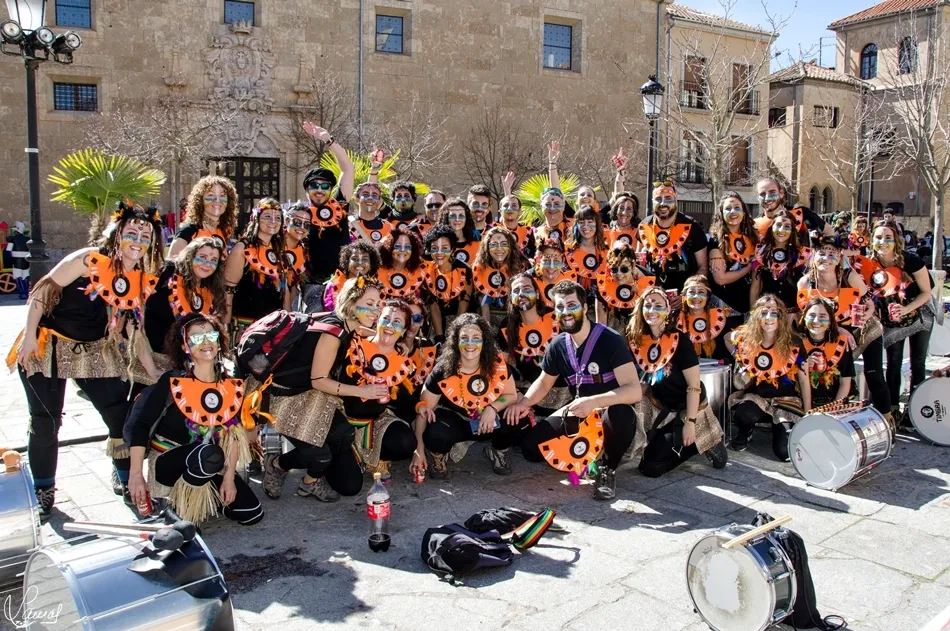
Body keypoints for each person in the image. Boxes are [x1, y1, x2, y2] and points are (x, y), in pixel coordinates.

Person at [10, 201, 164, 518]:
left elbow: (135, 331)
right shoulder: (87, 259)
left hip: (94, 349)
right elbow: (41, 292)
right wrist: (28, 337)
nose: (138, 241)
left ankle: (126, 479)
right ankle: (43, 489)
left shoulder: (139, 279)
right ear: (116, 234)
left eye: (145, 236)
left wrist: (153, 371)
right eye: (131, 233)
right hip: (48, 346)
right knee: (46, 421)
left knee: (119, 414)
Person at [508, 281, 643, 500]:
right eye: (560, 307)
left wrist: (594, 402)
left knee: (621, 415)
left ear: (585, 307)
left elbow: (634, 391)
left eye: (572, 305)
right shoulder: (558, 345)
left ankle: (607, 469)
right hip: (579, 412)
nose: (566, 312)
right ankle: (585, 453)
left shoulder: (611, 340)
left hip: (609, 411)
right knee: (531, 449)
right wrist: (523, 404)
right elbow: (544, 383)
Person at [126, 313, 263, 525]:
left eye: (211, 335)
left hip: (209, 462)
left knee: (252, 513)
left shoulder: (229, 384)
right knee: (208, 453)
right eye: (197, 337)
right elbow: (141, 426)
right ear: (184, 346)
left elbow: (233, 435)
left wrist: (228, 479)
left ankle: (206, 501)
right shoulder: (173, 380)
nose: (206, 342)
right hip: (169, 461)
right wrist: (135, 475)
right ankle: (176, 510)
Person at [260, 277, 381, 501]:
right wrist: (363, 391)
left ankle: (309, 481)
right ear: (352, 304)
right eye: (370, 304)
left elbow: (371, 334)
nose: (376, 310)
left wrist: (397, 338)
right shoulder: (333, 334)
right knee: (321, 456)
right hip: (286, 398)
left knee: (343, 434)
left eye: (378, 304)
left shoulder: (347, 323)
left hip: (309, 394)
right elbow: (319, 380)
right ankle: (278, 465)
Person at [627, 287, 727, 477]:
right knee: (647, 463)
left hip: (689, 406)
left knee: (651, 468)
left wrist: (690, 423)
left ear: (667, 310)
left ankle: (703, 440)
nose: (652, 310)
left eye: (658, 305)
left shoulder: (680, 341)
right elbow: (644, 382)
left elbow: (694, 386)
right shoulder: (639, 341)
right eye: (648, 305)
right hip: (662, 405)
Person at [411, 313, 520, 478]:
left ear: (484, 341)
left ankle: (497, 450)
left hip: (488, 421)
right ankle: (438, 455)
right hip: (457, 422)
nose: (470, 343)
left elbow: (511, 395)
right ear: (456, 341)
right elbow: (423, 411)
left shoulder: (497, 364)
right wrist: (418, 450)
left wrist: (492, 409)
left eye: (476, 338)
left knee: (516, 417)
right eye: (464, 338)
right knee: (436, 432)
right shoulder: (443, 369)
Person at [796, 235, 890, 418]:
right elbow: (807, 315)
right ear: (813, 256)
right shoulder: (805, 284)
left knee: (874, 375)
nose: (826, 258)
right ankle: (828, 414)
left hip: (862, 330)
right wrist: (837, 329)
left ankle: (887, 417)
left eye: (832, 254)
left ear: (840, 257)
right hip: (832, 334)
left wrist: (863, 318)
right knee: (828, 372)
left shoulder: (850, 277)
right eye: (821, 253)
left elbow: (870, 305)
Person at [853, 220, 933, 424]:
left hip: (919, 314)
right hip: (892, 319)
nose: (883, 241)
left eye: (888, 237)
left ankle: (915, 413)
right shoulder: (868, 265)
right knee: (893, 363)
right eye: (878, 237)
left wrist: (906, 308)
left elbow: (926, 292)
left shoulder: (911, 260)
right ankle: (893, 411)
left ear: (896, 240)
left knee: (917, 363)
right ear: (872, 240)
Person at [340, 299, 418, 482]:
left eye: (397, 322)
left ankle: (378, 459)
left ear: (404, 331)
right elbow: (343, 323)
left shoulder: (403, 364)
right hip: (341, 419)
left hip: (375, 423)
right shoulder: (354, 344)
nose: (390, 325)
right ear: (377, 321)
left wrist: (420, 406)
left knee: (406, 441)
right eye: (386, 319)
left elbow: (404, 404)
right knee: (349, 484)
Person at [726, 295, 810, 461]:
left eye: (774, 313)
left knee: (784, 453)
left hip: (785, 401)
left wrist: (807, 414)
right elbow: (727, 338)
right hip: (757, 398)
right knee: (744, 414)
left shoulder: (794, 342)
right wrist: (739, 357)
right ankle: (745, 431)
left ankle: (780, 429)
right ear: (756, 316)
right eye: (764, 313)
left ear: (781, 317)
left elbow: (803, 379)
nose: (769, 318)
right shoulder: (748, 339)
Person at [139, 237, 227, 387]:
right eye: (202, 257)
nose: (207, 264)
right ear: (190, 256)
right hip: (150, 360)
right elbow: (139, 302)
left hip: (182, 367)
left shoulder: (211, 291)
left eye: (213, 260)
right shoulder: (167, 273)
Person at [497, 273, 569, 417]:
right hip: (529, 396)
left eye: (526, 288)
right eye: (516, 291)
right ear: (511, 298)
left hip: (566, 393)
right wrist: (517, 395)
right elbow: (501, 366)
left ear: (536, 293)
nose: (521, 294)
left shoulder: (557, 317)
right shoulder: (507, 327)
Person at [223, 198, 287, 336]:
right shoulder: (242, 248)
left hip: (273, 326)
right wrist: (225, 328)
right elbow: (228, 291)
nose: (273, 221)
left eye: (278, 218)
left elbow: (283, 290)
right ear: (256, 219)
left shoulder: (278, 251)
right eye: (267, 216)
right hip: (245, 326)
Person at [637, 180, 708, 303]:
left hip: (685, 299)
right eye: (658, 199)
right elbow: (638, 266)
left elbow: (703, 268)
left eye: (668, 198)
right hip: (652, 301)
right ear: (652, 202)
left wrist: (686, 296)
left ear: (676, 200)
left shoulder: (692, 226)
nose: (663, 203)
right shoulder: (644, 226)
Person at [302, 123, 355, 285]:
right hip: (311, 284)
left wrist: (328, 140)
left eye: (325, 186)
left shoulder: (339, 205)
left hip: (341, 280)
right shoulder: (300, 215)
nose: (319, 190)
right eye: (314, 185)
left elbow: (348, 169)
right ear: (306, 189)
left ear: (331, 190)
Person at [750, 209, 811, 313]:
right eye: (778, 225)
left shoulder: (803, 255)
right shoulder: (761, 253)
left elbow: (809, 288)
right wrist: (753, 313)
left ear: (792, 230)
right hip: (767, 315)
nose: (781, 230)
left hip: (793, 315)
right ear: (771, 227)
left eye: (787, 226)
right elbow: (755, 288)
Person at [798, 297, 855, 408]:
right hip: (802, 402)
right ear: (804, 318)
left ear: (830, 321)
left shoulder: (841, 343)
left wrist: (833, 410)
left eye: (822, 316)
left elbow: (845, 382)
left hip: (835, 402)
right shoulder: (796, 343)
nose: (816, 321)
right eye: (812, 315)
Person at [708, 191, 758, 315]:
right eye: (728, 208)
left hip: (748, 304)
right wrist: (747, 269)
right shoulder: (716, 240)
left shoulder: (752, 238)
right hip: (724, 306)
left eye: (737, 208)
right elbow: (720, 278)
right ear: (721, 213)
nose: (733, 212)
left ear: (744, 212)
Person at [168, 175, 238, 258]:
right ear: (200, 200)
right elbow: (172, 263)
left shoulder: (223, 232)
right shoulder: (188, 231)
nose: (217, 200)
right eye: (211, 195)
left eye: (222, 196)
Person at [423, 225, 472, 341]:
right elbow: (433, 304)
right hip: (438, 321)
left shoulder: (464, 270)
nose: (439, 252)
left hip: (462, 321)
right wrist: (439, 336)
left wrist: (453, 335)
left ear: (452, 249)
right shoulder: (428, 269)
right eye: (434, 248)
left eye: (444, 248)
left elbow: (463, 304)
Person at [472, 226, 527, 325]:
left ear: (510, 246)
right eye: (494, 245)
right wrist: (487, 330)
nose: (499, 249)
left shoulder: (521, 266)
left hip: (515, 322)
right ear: (487, 247)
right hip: (487, 321)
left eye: (504, 244)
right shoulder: (480, 268)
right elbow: (483, 304)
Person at [594, 244, 655, 331]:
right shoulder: (603, 287)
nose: (619, 274)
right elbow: (600, 325)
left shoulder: (649, 282)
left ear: (633, 266)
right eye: (614, 269)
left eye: (624, 269)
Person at [755, 177, 833, 245]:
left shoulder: (801, 214)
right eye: (762, 194)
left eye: (772, 192)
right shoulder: (756, 224)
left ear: (781, 193)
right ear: (758, 198)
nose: (767, 198)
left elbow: (829, 232)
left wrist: (820, 252)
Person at [677, 275, 735, 361]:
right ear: (684, 296)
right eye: (691, 292)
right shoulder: (676, 320)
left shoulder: (719, 318)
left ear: (707, 297)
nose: (696, 296)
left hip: (716, 368)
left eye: (701, 292)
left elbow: (730, 342)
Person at [565, 205, 607, 300]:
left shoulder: (607, 251)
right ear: (576, 225)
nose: (586, 226)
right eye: (581, 222)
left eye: (590, 221)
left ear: (597, 224)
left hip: (600, 304)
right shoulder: (567, 250)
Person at [324, 241, 381, 311]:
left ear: (371, 264)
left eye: (365, 259)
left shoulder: (376, 289)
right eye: (355, 258)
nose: (360, 262)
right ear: (347, 261)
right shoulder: (332, 285)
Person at [377, 228, 428, 300]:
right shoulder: (376, 271)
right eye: (397, 246)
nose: (403, 250)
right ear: (389, 247)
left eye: (407, 247)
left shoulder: (422, 270)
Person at [529, 238, 578, 308]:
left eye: (556, 261)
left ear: (563, 260)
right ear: (539, 259)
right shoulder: (529, 279)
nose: (551, 266)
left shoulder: (571, 278)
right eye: (546, 260)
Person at [282, 201, 312, 309]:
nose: (302, 227)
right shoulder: (272, 246)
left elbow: (293, 284)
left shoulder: (303, 251)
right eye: (297, 222)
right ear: (286, 221)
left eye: (307, 224)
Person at [500, 171, 535, 257]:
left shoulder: (527, 232)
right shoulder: (493, 229)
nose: (510, 208)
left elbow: (532, 254)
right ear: (500, 211)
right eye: (506, 206)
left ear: (520, 211)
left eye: (514, 206)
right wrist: (507, 190)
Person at [438, 198, 480, 266]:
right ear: (446, 218)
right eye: (453, 216)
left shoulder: (478, 245)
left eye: (461, 215)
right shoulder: (438, 245)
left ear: (466, 218)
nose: (457, 219)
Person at [8, 221, 30, 298]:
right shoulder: (28, 239)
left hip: (16, 261)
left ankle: (22, 293)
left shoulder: (12, 239)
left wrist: (9, 261)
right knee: (25, 276)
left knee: (18, 276)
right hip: (26, 261)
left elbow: (8, 251)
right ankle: (26, 292)